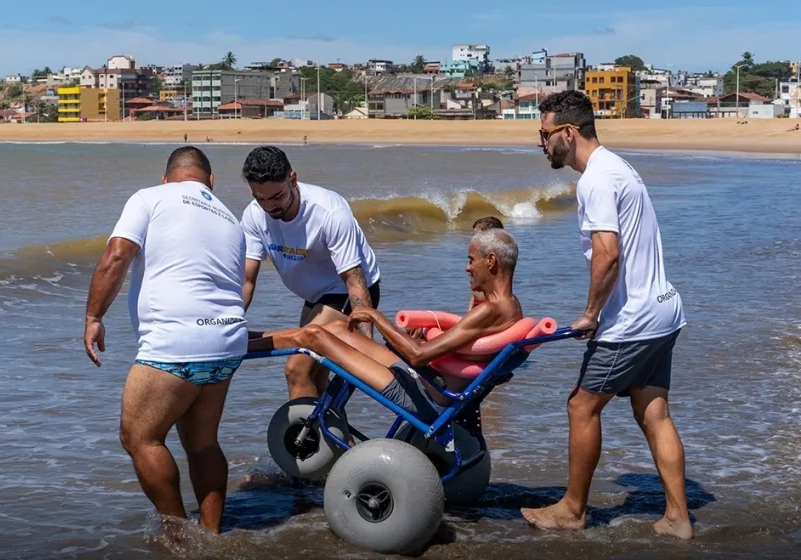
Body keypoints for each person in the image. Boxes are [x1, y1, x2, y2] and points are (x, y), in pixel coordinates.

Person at [521, 90, 691, 540]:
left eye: (543, 133)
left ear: (568, 132)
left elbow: (607, 254)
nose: (539, 143)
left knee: (581, 406)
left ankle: (573, 510)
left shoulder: (595, 179)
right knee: (654, 412)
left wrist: (592, 313)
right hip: (663, 311)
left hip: (630, 321)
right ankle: (677, 518)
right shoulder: (618, 166)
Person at [83, 146, 249, 534]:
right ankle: (210, 533)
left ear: (166, 179)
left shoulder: (150, 197)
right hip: (226, 341)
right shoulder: (230, 217)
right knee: (203, 443)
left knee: (139, 438)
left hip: (175, 342)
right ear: (210, 181)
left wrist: (94, 316)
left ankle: (177, 535)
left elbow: (117, 255)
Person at [248, 229, 523, 419]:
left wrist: (376, 316)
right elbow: (453, 346)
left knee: (315, 338)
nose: (467, 267)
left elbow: (417, 355)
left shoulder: (489, 309)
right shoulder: (511, 306)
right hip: (431, 383)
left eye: (471, 260)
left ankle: (243, 345)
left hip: (427, 395)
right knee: (335, 330)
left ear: (491, 261)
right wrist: (425, 335)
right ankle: (250, 339)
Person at [239, 145, 381, 401]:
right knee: (316, 376)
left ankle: (305, 439)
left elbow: (354, 281)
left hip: (347, 291)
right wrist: (227, 324)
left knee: (297, 367)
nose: (270, 207)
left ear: (292, 179)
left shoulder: (329, 211)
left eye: (277, 196)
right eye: (261, 198)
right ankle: (334, 439)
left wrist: (366, 344)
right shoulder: (253, 215)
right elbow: (246, 280)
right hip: (316, 298)